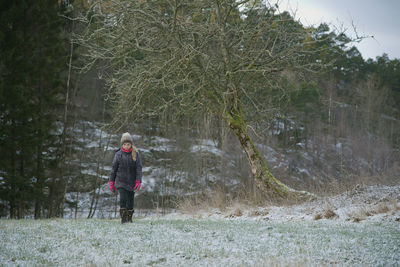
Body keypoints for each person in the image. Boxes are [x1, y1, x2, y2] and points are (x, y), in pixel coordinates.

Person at [109, 132, 142, 223]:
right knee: (123, 199)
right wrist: (111, 182)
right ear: (122, 145)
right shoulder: (118, 154)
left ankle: (129, 218)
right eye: (124, 144)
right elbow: (113, 169)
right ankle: (123, 219)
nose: (126, 146)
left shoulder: (136, 154)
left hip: (132, 182)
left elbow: (139, 169)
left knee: (130, 201)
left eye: (128, 144)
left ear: (131, 144)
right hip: (121, 181)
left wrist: (138, 181)